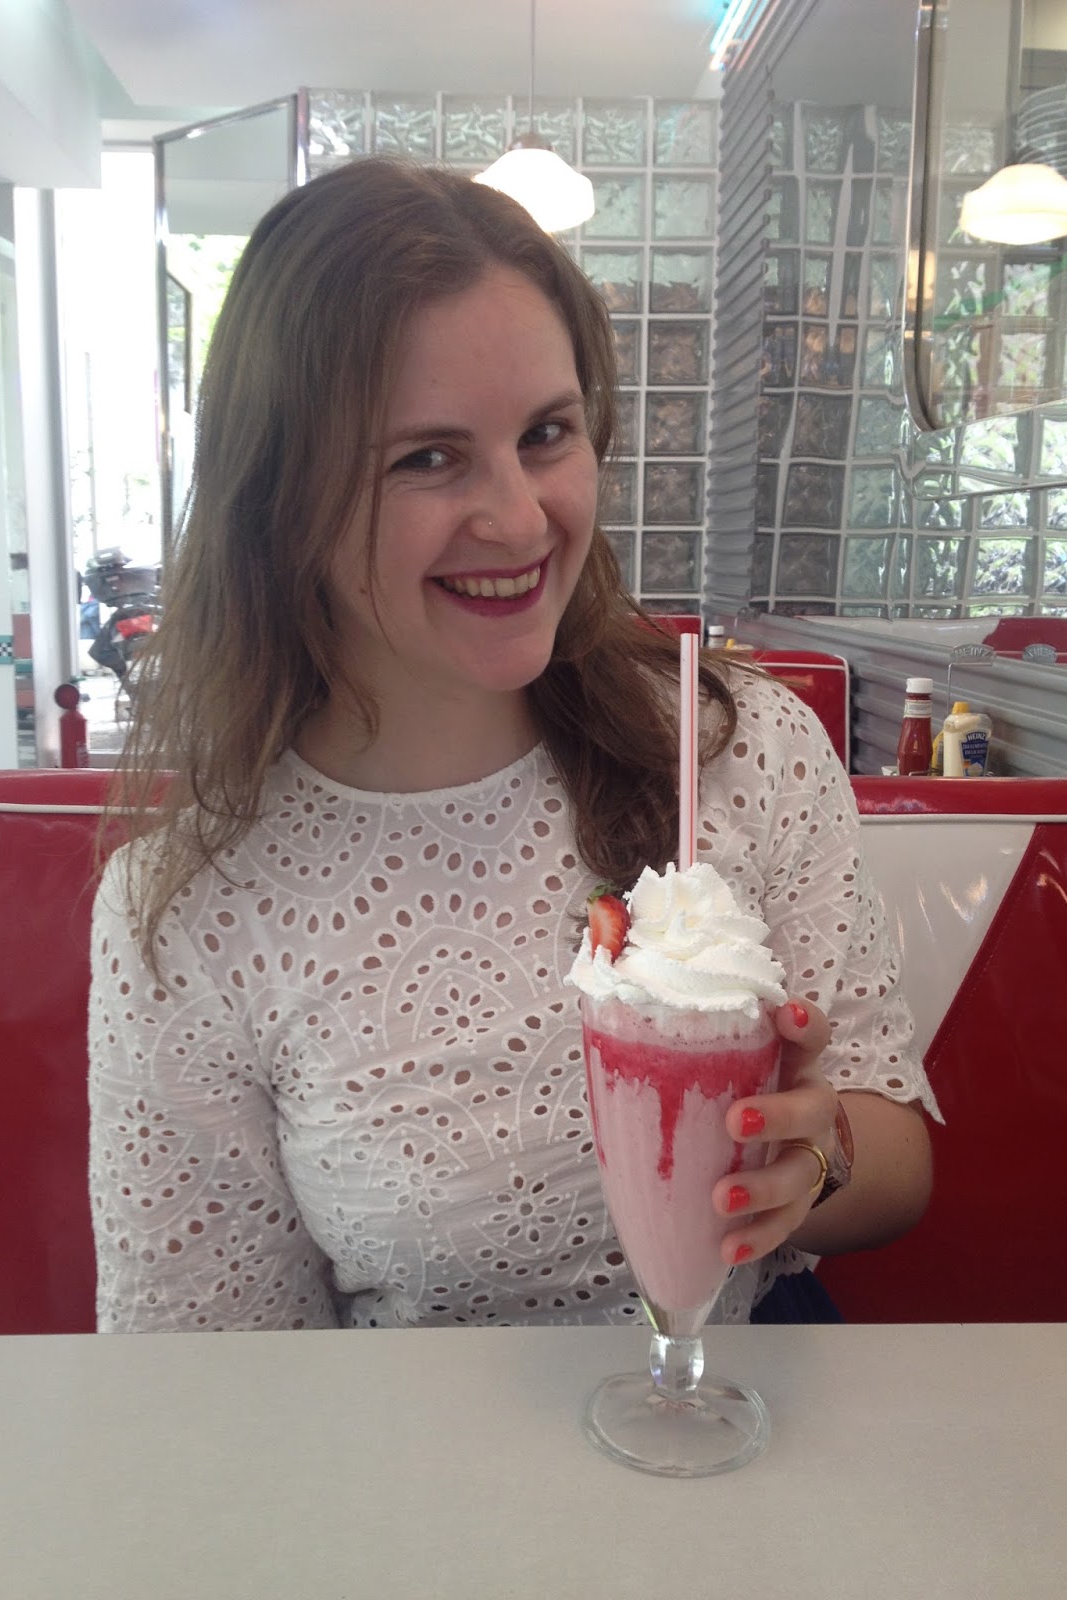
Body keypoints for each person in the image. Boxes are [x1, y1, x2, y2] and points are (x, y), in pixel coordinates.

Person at [89, 158, 938, 1334]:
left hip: (738, 1402)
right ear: (281, 501)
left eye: (546, 433)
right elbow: (210, 1365)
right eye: (426, 458)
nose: (523, 517)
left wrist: (815, 1155)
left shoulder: (736, 750)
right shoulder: (194, 916)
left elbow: (898, 1160)